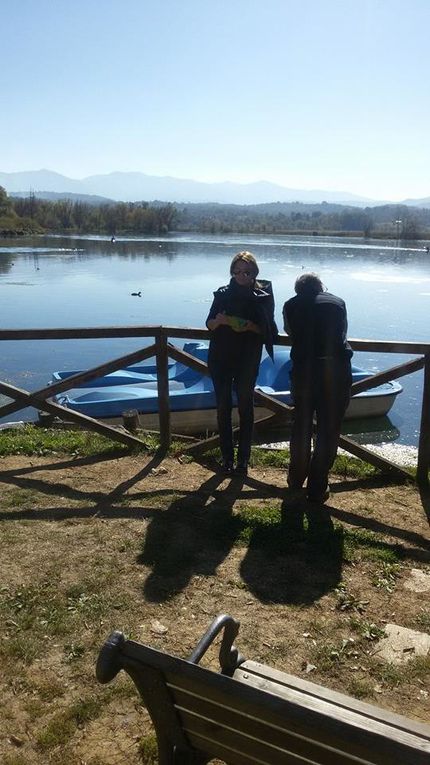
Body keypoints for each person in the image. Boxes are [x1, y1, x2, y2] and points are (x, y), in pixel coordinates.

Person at [206, 251, 278, 475]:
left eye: (246, 272)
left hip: (247, 358)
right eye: (236, 271)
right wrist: (218, 322)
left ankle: (243, 461)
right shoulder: (222, 294)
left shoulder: (263, 296)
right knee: (223, 408)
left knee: (246, 407)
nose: (241, 276)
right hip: (221, 357)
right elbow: (208, 323)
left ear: (254, 272)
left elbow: (270, 331)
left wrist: (249, 326)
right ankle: (227, 458)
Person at [283, 273, 352, 503]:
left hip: (304, 373)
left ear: (298, 289)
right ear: (322, 287)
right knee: (328, 431)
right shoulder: (338, 302)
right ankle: (317, 486)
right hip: (336, 373)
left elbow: (291, 333)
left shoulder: (290, 305)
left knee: (301, 427)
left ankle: (295, 480)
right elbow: (342, 333)